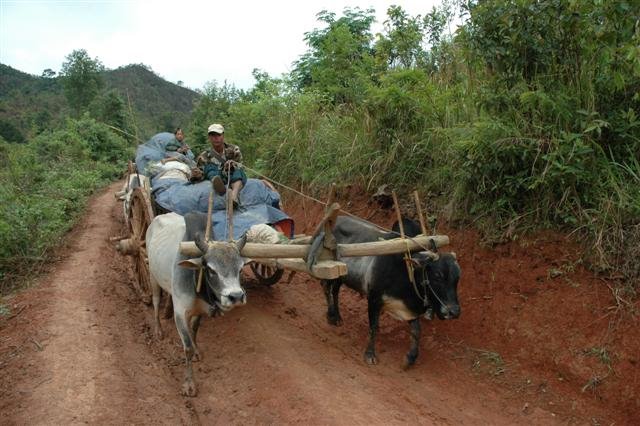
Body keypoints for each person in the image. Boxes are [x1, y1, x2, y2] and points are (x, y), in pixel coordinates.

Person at [191, 123, 246, 207]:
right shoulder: (204, 156)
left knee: (238, 171)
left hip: (231, 175)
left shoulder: (234, 149)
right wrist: (197, 174)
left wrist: (231, 165)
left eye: (218, 135)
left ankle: (234, 197)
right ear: (209, 137)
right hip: (216, 175)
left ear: (223, 136)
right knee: (210, 169)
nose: (216, 138)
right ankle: (218, 185)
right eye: (213, 135)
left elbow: (241, 165)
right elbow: (200, 174)